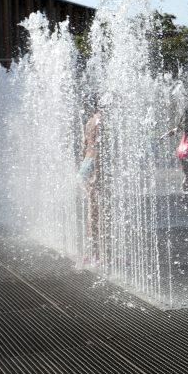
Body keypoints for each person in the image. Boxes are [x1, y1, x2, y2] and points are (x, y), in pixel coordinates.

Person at [161, 102, 188, 197]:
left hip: (183, 151)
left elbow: (174, 131)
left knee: (187, 176)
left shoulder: (185, 123)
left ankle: (185, 197)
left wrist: (164, 136)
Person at [80, 94, 103, 263]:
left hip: (86, 165)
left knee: (92, 211)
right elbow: (98, 148)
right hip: (95, 164)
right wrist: (98, 173)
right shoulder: (99, 121)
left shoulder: (89, 121)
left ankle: (92, 251)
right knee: (97, 212)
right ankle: (96, 254)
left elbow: (84, 146)